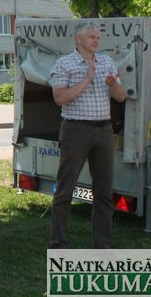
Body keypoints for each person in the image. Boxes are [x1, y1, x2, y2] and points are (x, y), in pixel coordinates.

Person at [50, 22, 126, 249]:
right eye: (92, 37)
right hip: (76, 130)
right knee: (65, 189)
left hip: (104, 130)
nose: (96, 41)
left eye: (98, 37)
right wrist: (86, 80)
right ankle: (58, 244)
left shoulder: (107, 62)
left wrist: (112, 85)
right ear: (79, 39)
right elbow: (59, 98)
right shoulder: (64, 63)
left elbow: (121, 97)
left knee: (104, 191)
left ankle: (102, 246)